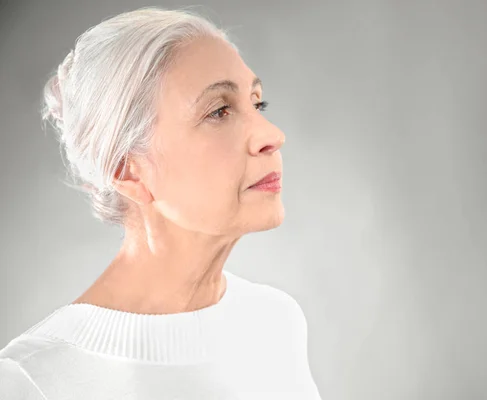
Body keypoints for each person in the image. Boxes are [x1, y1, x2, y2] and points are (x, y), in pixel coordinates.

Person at [0, 6, 322, 400]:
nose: (272, 135)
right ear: (127, 171)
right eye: (219, 111)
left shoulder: (275, 321)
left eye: (257, 105)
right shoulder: (31, 381)